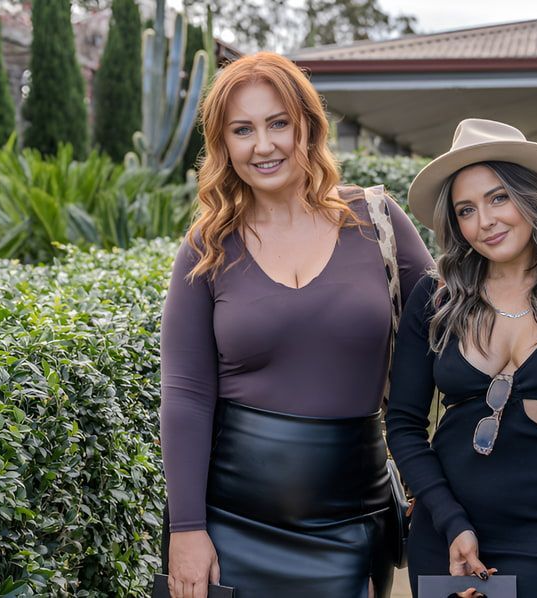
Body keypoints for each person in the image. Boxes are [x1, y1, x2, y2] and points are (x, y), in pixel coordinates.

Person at [158, 52, 433, 598]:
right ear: (223, 145)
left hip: (353, 522)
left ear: (307, 125)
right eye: (243, 130)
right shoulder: (206, 248)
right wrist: (186, 528)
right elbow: (186, 395)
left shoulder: (377, 222)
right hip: (230, 521)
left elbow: (455, 332)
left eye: (278, 123)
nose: (263, 145)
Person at [385, 118, 537, 598]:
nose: (484, 221)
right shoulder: (437, 296)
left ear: (530, 196)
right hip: (448, 532)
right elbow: (403, 425)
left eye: (498, 197)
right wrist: (450, 519)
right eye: (466, 209)